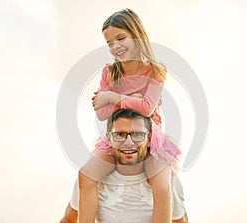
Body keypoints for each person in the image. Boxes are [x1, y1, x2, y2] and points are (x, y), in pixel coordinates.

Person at [79, 8, 182, 223]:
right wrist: (132, 97)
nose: (115, 46)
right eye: (110, 43)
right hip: (118, 137)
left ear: (137, 35)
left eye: (121, 38)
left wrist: (112, 96)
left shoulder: (155, 70)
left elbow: (146, 109)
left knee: (162, 185)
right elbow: (101, 113)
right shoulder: (110, 72)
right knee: (86, 175)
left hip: (150, 140)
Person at [60, 109, 188, 223]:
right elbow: (68, 219)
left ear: (149, 139)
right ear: (109, 139)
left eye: (138, 135)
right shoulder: (93, 179)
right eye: (119, 135)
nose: (128, 143)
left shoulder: (168, 180)